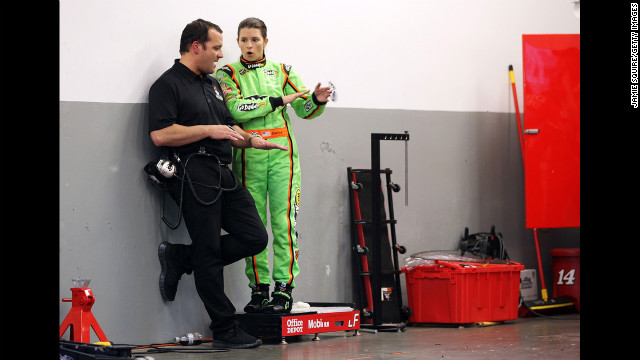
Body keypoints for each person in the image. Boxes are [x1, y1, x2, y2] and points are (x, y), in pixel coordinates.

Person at [147, 19, 308, 349]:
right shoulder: (167, 85)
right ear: (197, 47)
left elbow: (228, 125)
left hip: (222, 171)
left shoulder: (211, 85)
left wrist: (251, 140)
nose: (222, 54)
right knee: (208, 253)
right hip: (192, 173)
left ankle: (181, 259)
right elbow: (160, 134)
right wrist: (208, 130)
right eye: (217, 47)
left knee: (255, 236)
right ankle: (224, 326)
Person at [215, 17, 332, 314]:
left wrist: (317, 100)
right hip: (248, 157)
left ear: (266, 41)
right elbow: (233, 108)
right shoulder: (227, 74)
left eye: (255, 39)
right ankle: (259, 291)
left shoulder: (283, 71)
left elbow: (304, 108)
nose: (249, 45)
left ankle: (284, 289)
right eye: (244, 40)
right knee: (253, 226)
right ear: (237, 42)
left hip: (283, 159)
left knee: (284, 225)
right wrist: (278, 100)